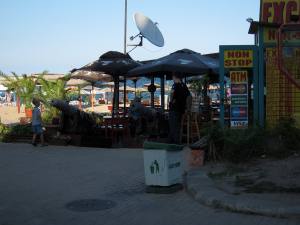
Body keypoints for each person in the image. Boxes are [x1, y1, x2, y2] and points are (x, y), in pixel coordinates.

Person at [168, 74, 191, 144]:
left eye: (173, 77)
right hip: (181, 109)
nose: (172, 79)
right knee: (177, 125)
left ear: (175, 77)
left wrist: (171, 101)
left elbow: (171, 95)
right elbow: (189, 97)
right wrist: (187, 108)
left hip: (174, 108)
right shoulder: (184, 85)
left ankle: (174, 142)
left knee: (173, 125)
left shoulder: (175, 85)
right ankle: (175, 141)